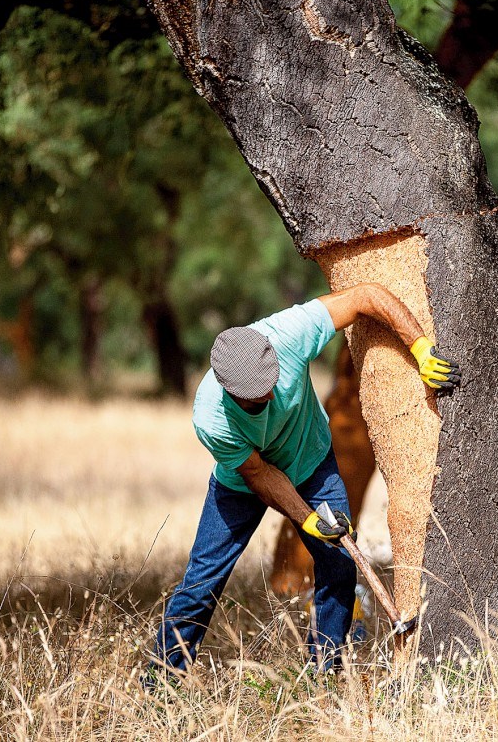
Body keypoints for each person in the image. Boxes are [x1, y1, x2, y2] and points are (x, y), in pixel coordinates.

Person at [146, 283, 461, 684]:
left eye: (269, 386)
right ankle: (161, 681)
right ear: (227, 390)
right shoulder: (211, 418)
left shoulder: (288, 334)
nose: (266, 399)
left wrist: (419, 347)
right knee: (203, 580)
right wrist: (306, 519)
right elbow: (261, 474)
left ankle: (324, 673)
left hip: (312, 461)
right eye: (253, 399)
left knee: (339, 565)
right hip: (242, 486)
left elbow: (366, 296)